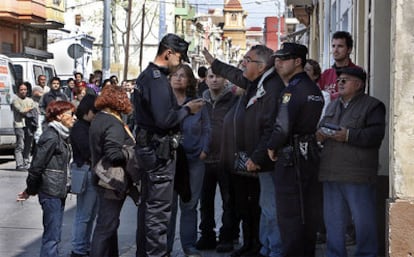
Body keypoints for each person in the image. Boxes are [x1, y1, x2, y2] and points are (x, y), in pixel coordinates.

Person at [203, 44, 285, 257]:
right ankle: (251, 244)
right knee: (245, 204)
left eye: (247, 60)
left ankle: (266, 248)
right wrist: (214, 63)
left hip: (260, 158)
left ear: (261, 66)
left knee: (264, 207)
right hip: (243, 155)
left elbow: (270, 126)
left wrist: (257, 156)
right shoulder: (255, 82)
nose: (243, 64)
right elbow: (235, 74)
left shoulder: (271, 86)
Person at [134, 33, 205, 257]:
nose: (180, 63)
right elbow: (164, 120)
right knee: (158, 212)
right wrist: (187, 110)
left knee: (149, 210)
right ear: (168, 53)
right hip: (158, 151)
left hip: (152, 149)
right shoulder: (156, 80)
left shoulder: (149, 77)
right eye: (180, 57)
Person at [316, 67, 385, 257]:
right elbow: (321, 128)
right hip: (330, 172)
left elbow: (375, 135)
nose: (340, 82)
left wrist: (348, 135)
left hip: (358, 174)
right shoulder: (331, 105)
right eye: (339, 80)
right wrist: (320, 136)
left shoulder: (373, 106)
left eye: (346, 80)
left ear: (359, 84)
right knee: (333, 221)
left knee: (364, 221)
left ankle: (367, 254)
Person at [267, 42, 324, 257]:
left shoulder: (292, 90)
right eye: (277, 59)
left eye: (284, 59)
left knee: (290, 214)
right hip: (308, 154)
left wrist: (272, 146)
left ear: (298, 61)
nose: (278, 63)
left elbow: (282, 126)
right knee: (307, 212)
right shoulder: (313, 88)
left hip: (291, 157)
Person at [17, 100, 76, 257]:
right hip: (51, 191)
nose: (74, 118)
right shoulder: (51, 137)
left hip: (58, 190)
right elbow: (36, 166)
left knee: (54, 233)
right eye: (71, 114)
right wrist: (30, 189)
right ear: (58, 116)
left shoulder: (61, 135)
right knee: (52, 236)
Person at [167, 64, 211, 257]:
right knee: (168, 205)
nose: (178, 79)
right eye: (175, 75)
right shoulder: (165, 104)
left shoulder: (199, 104)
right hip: (170, 158)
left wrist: (205, 150)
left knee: (190, 204)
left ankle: (189, 246)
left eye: (183, 76)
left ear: (190, 80)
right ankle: (165, 247)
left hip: (194, 158)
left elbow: (208, 129)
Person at [89, 84, 136, 257]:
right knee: (106, 226)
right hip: (111, 181)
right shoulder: (113, 122)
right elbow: (114, 154)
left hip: (100, 178)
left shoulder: (99, 118)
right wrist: (131, 152)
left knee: (109, 225)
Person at [196, 67, 238, 253]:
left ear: (225, 80)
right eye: (210, 77)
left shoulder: (233, 100)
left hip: (226, 158)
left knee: (229, 200)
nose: (214, 80)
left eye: (218, 76)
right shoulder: (200, 101)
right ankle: (207, 234)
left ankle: (227, 235)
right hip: (205, 159)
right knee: (205, 200)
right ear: (205, 80)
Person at [70, 94, 98, 257]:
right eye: (94, 112)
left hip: (90, 171)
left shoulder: (87, 126)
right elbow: (87, 151)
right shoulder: (80, 127)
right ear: (87, 111)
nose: (95, 115)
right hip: (85, 171)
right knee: (84, 214)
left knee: (90, 214)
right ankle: (79, 248)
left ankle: (84, 246)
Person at [319, 31, 360, 100]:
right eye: (333, 46)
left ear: (349, 49)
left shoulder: (357, 72)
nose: (335, 50)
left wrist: (330, 97)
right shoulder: (326, 74)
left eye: (340, 46)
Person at [12, 82, 37, 170]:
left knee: (28, 145)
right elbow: (21, 110)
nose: (23, 91)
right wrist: (30, 109)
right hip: (19, 125)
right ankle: (19, 164)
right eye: (21, 90)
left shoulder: (30, 100)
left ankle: (26, 162)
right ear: (18, 91)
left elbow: (35, 111)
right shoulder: (15, 100)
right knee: (20, 145)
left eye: (25, 89)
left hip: (29, 125)